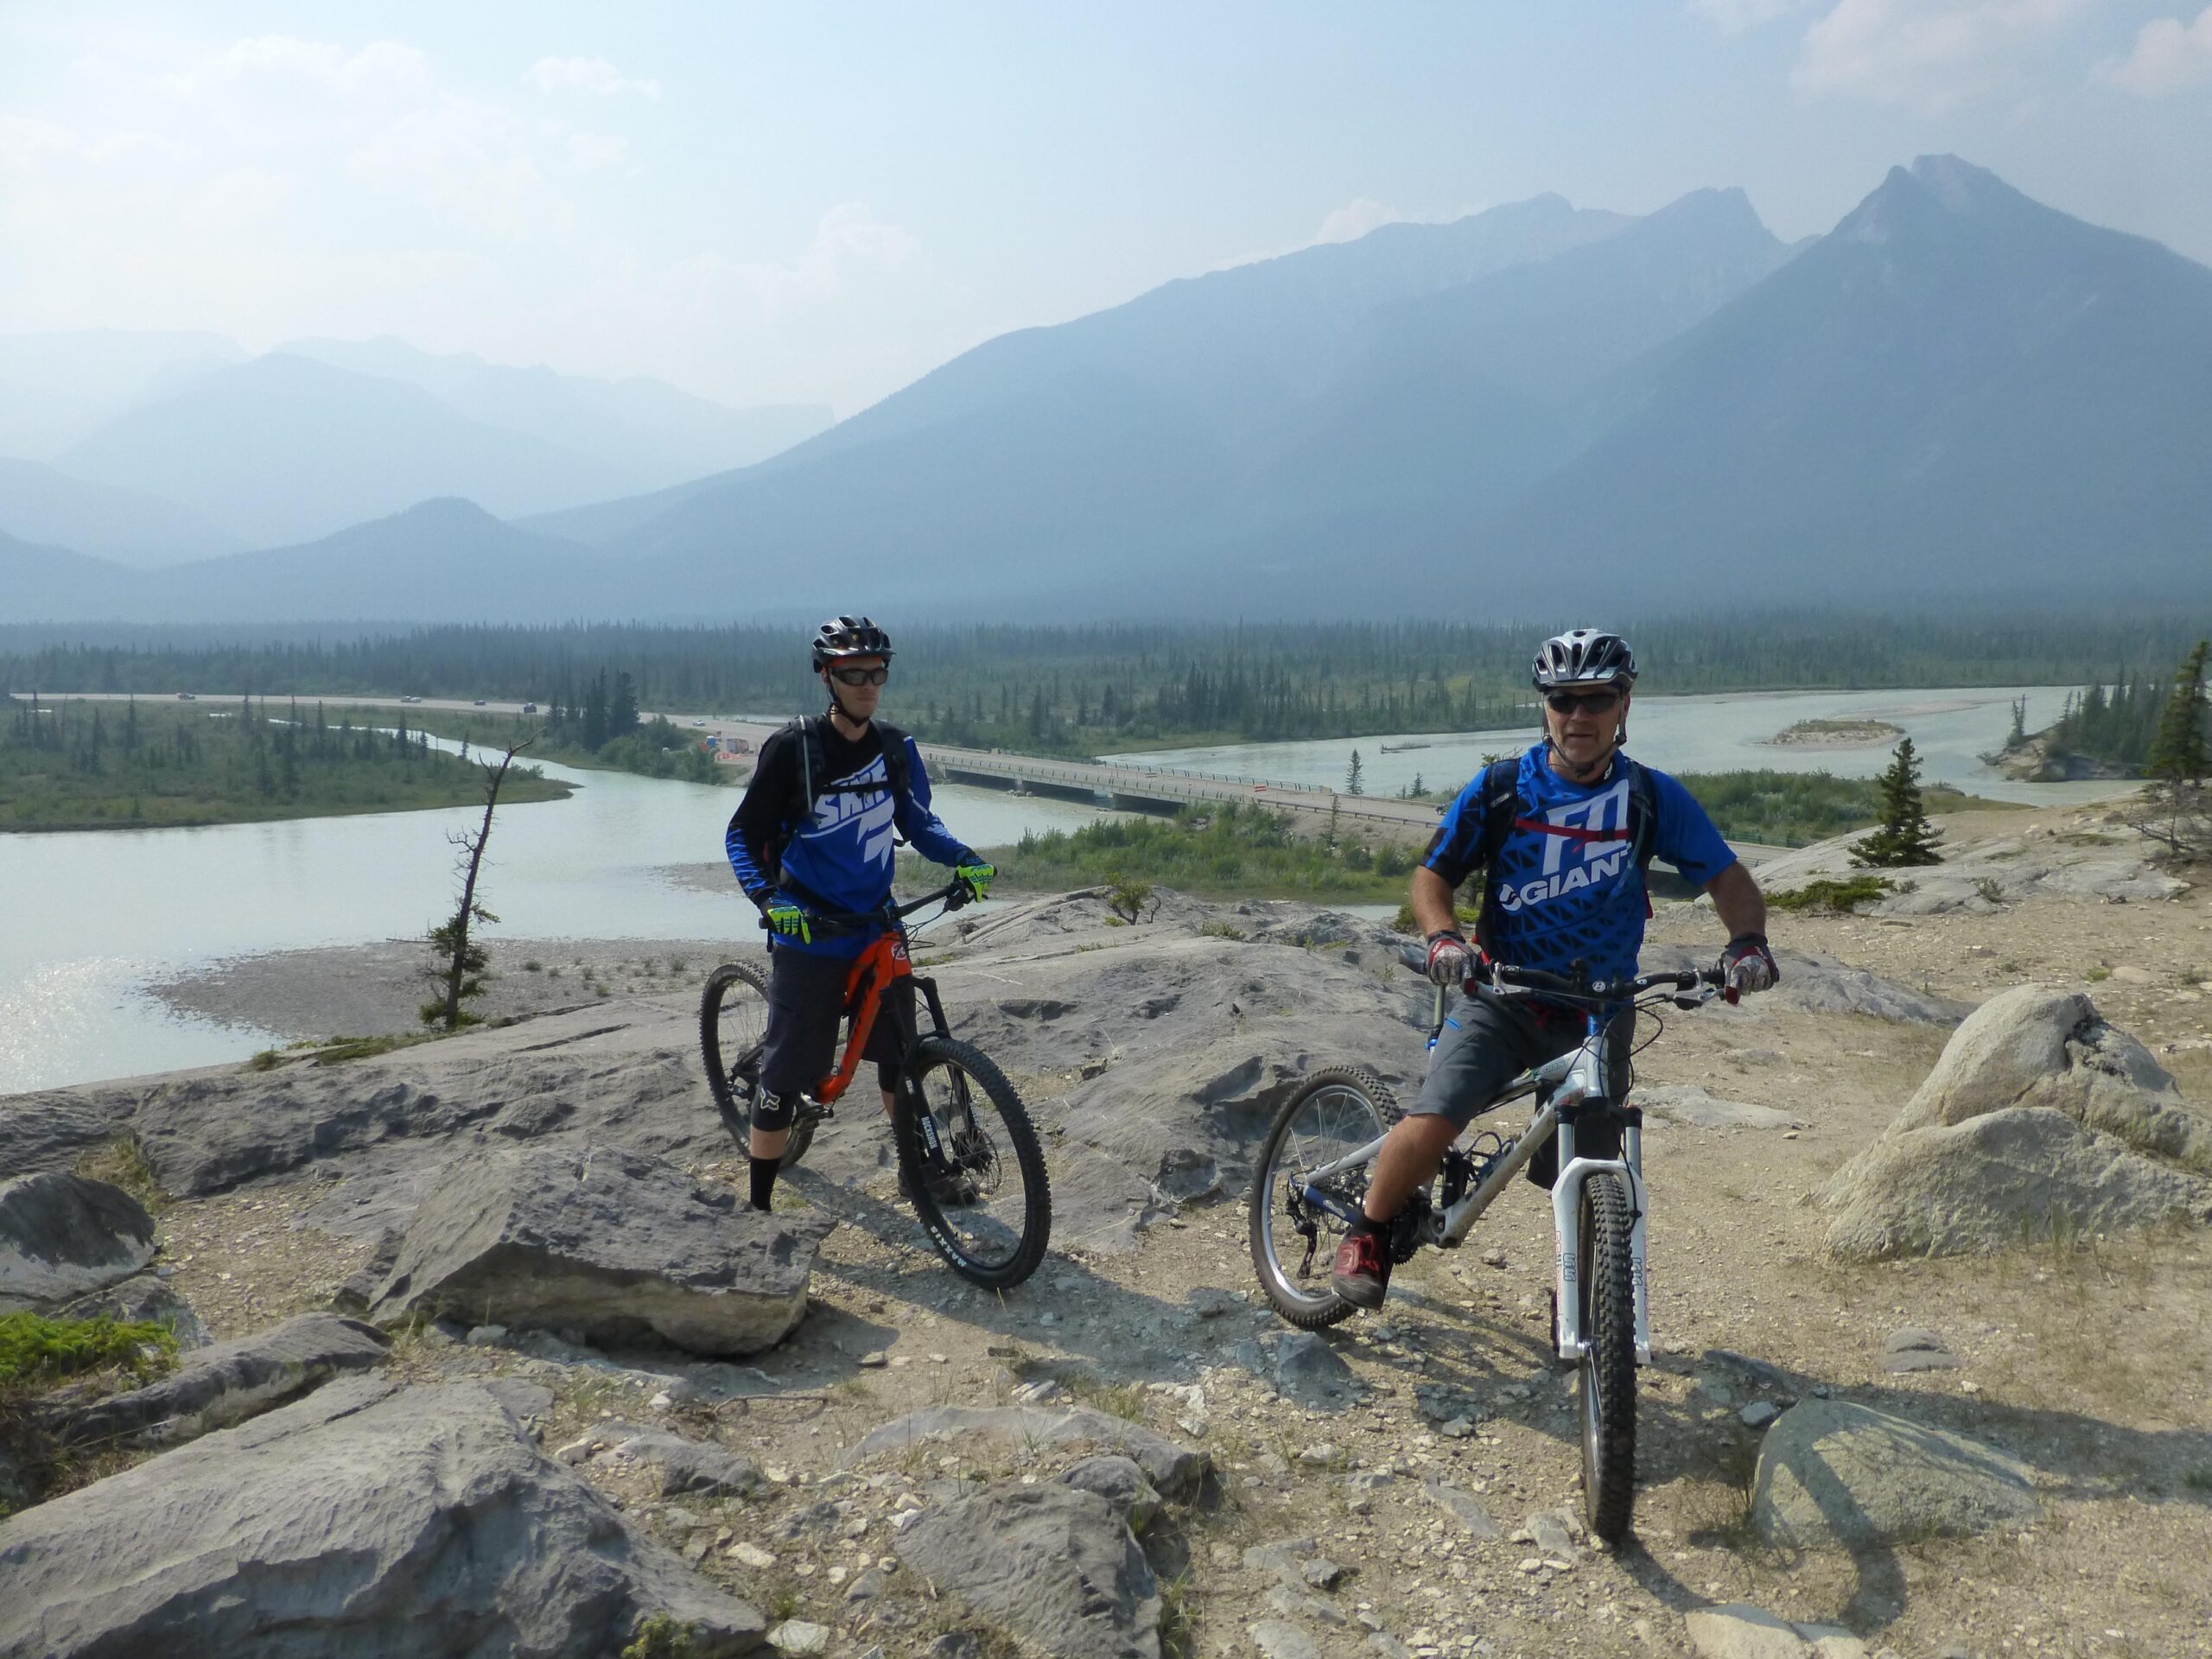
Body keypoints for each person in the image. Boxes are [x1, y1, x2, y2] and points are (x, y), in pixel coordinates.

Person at [1332, 627, 1777, 1308]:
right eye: (1564, 699)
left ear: (1625, 705)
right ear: (1546, 705)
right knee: (1436, 1121)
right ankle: (1367, 1230)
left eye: (1597, 700)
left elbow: (1727, 880)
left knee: (1591, 1163)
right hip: (1502, 995)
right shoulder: (1502, 791)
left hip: (1601, 1010)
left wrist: (1746, 942)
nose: (1579, 716)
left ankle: (1593, 1313)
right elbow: (1432, 877)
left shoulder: (1651, 799)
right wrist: (1443, 937)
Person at [724, 616, 995, 1213]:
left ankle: (916, 1173)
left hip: (877, 926)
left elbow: (918, 822)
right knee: (784, 1077)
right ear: (827, 675)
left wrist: (965, 858)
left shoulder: (895, 748)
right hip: (811, 931)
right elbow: (743, 835)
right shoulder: (793, 750)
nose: (868, 685)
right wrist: (773, 902)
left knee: (900, 1060)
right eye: (853, 673)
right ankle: (760, 1209)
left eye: (877, 673)